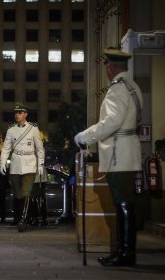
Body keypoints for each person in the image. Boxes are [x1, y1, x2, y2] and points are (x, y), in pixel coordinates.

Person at [74, 47, 143, 267]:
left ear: (111, 67)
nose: (106, 71)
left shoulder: (117, 90)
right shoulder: (133, 87)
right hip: (127, 151)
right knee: (126, 202)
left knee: (122, 202)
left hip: (117, 154)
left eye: (107, 67)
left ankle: (125, 253)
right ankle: (125, 251)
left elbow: (110, 123)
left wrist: (85, 136)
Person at [0, 103, 45, 232]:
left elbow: (40, 149)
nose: (17, 115)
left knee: (27, 192)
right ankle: (21, 216)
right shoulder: (11, 130)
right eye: (15, 113)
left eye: (19, 112)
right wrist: (3, 163)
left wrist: (40, 164)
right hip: (15, 164)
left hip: (30, 164)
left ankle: (23, 220)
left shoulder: (33, 129)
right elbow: (6, 148)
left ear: (25, 114)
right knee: (18, 194)